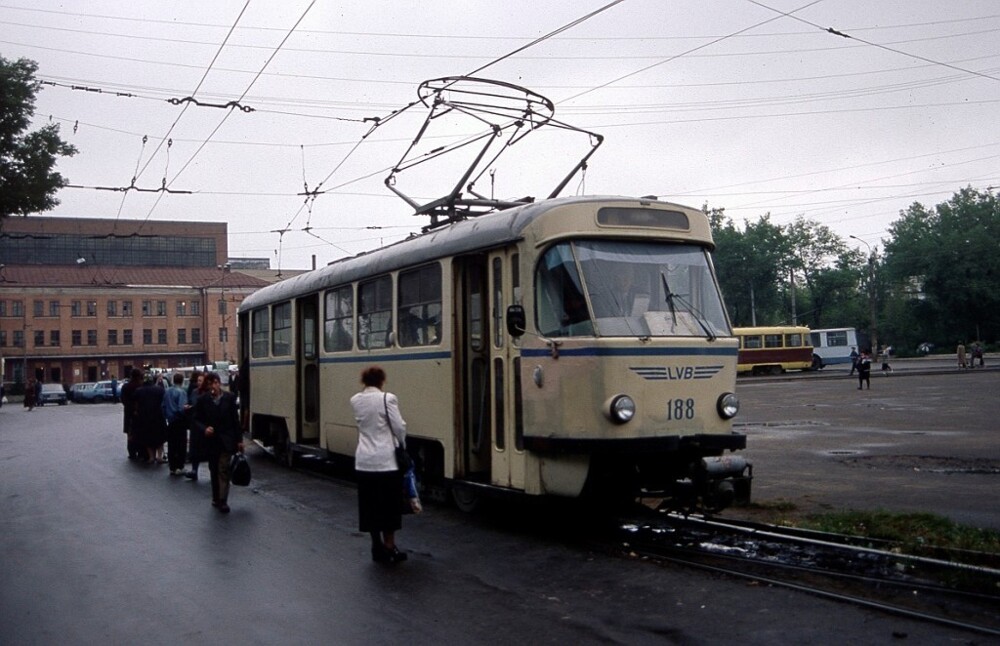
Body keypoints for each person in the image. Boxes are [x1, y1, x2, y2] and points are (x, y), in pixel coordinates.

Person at [350, 366, 409, 564]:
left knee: (370, 507)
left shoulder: (355, 400)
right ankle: (390, 547)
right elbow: (399, 427)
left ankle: (376, 546)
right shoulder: (387, 399)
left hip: (364, 461)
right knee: (389, 507)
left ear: (364, 381)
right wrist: (402, 444)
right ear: (381, 381)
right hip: (386, 462)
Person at [193, 372, 243, 513]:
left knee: (223, 469)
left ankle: (223, 500)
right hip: (211, 440)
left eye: (216, 383)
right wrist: (204, 429)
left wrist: (239, 440)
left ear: (219, 383)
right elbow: (196, 419)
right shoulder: (203, 400)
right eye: (210, 384)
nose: (214, 386)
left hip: (226, 440)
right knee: (214, 469)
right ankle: (216, 496)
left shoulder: (229, 398)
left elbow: (235, 420)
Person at [134, 376, 167, 465]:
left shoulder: (138, 391)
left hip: (144, 417)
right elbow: (164, 402)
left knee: (147, 437)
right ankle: (159, 456)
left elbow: (136, 404)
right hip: (158, 416)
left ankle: (151, 457)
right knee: (160, 437)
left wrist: (137, 412)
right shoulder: (160, 390)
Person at [163, 373, 189, 475]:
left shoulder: (167, 391)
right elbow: (181, 408)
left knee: (172, 445)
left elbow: (163, 406)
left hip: (170, 421)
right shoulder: (182, 392)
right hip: (179, 421)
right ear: (182, 381)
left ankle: (172, 466)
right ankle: (179, 466)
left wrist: (167, 416)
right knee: (181, 444)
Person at [184, 371, 206, 481]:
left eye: (201, 381)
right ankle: (194, 470)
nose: (199, 383)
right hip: (195, 424)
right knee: (194, 448)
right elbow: (190, 402)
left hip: (205, 423)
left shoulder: (208, 393)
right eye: (198, 381)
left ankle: (213, 471)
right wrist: (187, 406)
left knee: (208, 448)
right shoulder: (194, 392)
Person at [120, 369, 144, 459]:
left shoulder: (126, 386)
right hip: (140, 412)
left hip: (129, 412)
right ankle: (141, 451)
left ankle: (132, 452)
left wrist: (130, 407)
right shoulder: (141, 386)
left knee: (130, 433)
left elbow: (123, 399)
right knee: (140, 432)